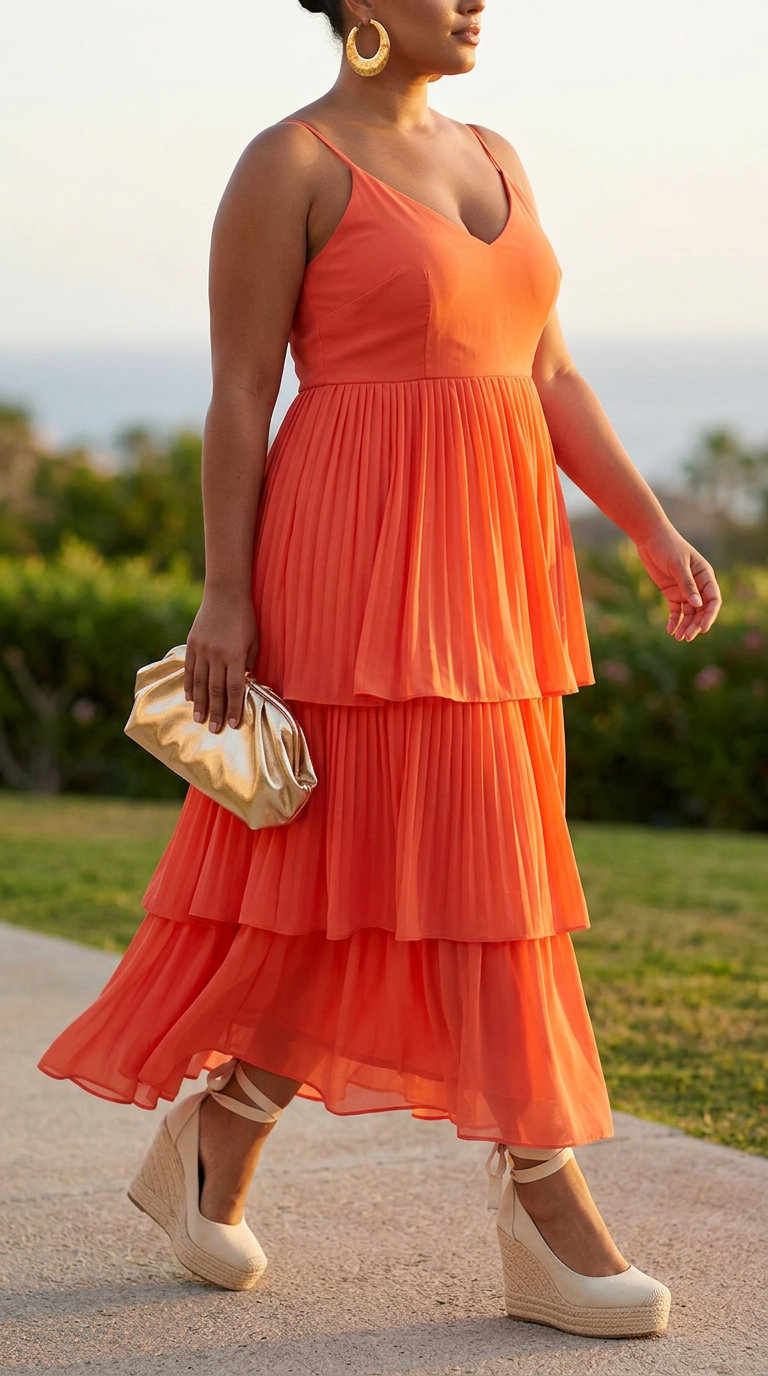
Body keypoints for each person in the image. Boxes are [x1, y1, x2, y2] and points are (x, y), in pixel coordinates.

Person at [38, 0, 722, 1340]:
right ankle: (545, 1202)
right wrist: (226, 598)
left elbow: (551, 372)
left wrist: (651, 528)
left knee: (393, 877)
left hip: (495, 576)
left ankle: (217, 1142)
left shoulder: (499, 156)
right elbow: (240, 391)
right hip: (344, 572)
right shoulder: (286, 165)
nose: (475, 0)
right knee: (398, 873)